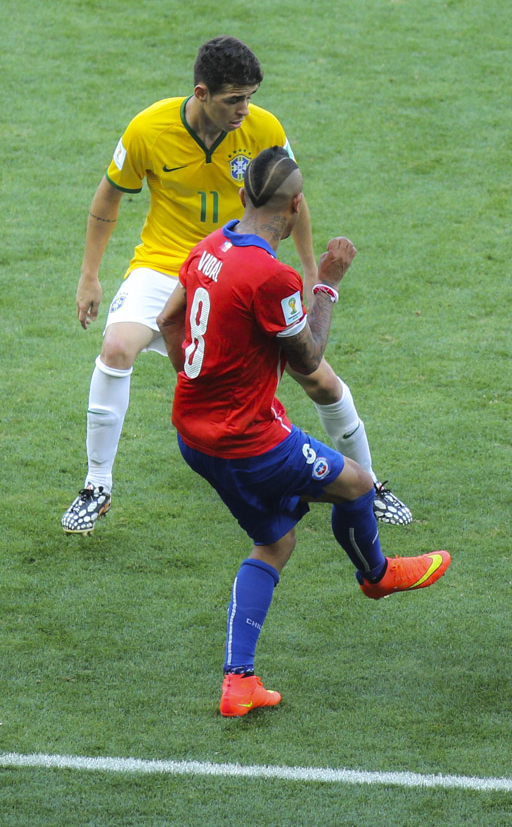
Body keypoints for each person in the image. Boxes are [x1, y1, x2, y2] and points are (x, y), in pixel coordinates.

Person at [64, 36, 411, 533]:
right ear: (201, 93)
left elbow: (295, 197)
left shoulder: (264, 128)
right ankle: (97, 485)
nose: (245, 110)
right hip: (165, 265)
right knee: (116, 347)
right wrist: (89, 276)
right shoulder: (148, 129)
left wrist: (311, 270)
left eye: (249, 96)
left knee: (318, 379)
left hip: (236, 268)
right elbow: (108, 199)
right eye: (234, 99)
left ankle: (370, 484)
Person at [156, 147, 450, 716]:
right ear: (295, 207)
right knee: (358, 485)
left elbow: (170, 318)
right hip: (252, 443)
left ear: (243, 196)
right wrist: (328, 284)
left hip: (194, 436)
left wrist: (200, 380)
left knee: (276, 542)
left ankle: (238, 683)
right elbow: (309, 358)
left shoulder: (207, 249)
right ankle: (378, 574)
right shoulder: (273, 276)